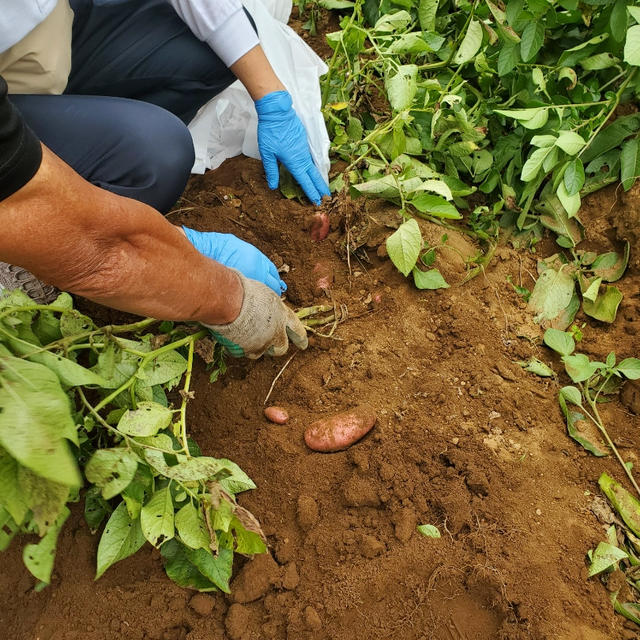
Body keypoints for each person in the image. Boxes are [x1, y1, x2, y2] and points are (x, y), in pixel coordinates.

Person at [0, 0, 330, 357]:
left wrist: (271, 98)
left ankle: (83, 133)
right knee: (158, 156)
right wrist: (227, 297)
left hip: (48, 28)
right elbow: (94, 251)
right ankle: (16, 261)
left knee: (212, 49)